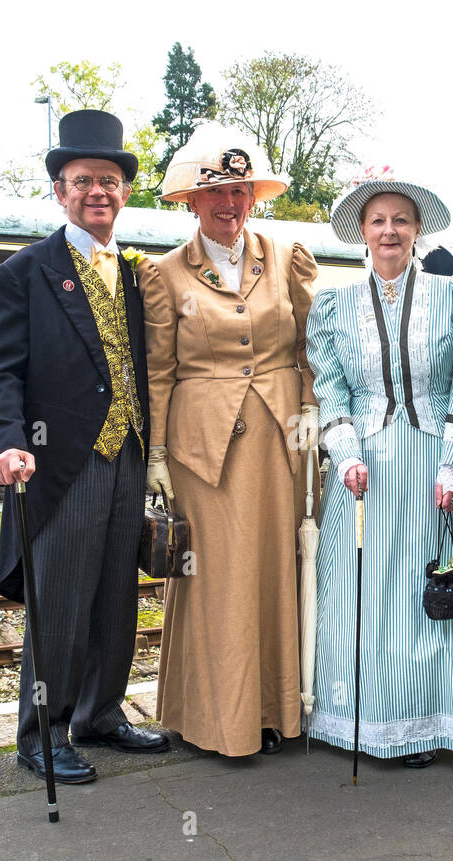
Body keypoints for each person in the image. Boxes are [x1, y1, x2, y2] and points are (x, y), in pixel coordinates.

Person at [305, 177, 453, 767]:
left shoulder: (452, 295)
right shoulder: (332, 306)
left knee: (444, 585)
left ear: (416, 231)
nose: (390, 231)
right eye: (378, 220)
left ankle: (446, 719)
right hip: (370, 469)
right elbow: (331, 388)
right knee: (373, 594)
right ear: (362, 230)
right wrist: (346, 452)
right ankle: (382, 719)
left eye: (401, 220)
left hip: (438, 458)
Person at [0, 109, 170, 784]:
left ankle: (100, 713)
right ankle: (41, 733)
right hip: (59, 460)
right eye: (83, 179)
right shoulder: (25, 273)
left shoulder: (138, 276)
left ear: (124, 190)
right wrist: (4, 442)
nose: (98, 191)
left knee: (117, 594)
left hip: (129, 456)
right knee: (57, 601)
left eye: (109, 180)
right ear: (60, 190)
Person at [137, 125, 319, 758]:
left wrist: (317, 420)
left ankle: (279, 711)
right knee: (217, 578)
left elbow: (308, 348)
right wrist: (156, 454)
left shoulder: (286, 256)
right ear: (190, 200)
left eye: (240, 191)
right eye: (214, 193)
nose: (229, 204)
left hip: (281, 437)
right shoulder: (162, 275)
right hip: (203, 450)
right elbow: (159, 369)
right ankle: (218, 721)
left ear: (254, 196)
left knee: (280, 567)